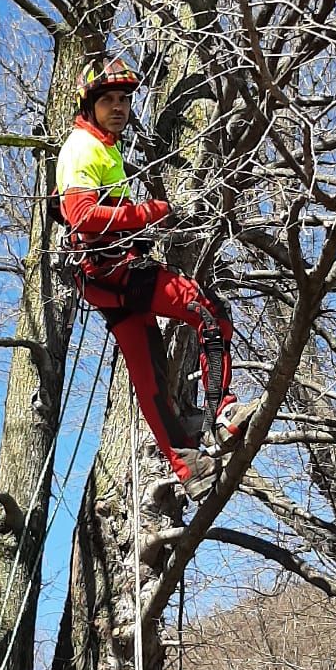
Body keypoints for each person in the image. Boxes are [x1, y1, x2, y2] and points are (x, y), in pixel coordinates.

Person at [55, 57, 255, 498]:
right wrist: (150, 212)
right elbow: (81, 215)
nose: (120, 107)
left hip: (106, 281)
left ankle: (189, 465)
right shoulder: (82, 147)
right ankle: (222, 412)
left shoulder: (105, 148)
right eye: (108, 100)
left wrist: (141, 218)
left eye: (125, 100)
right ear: (88, 105)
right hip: (116, 270)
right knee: (209, 314)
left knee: (150, 376)